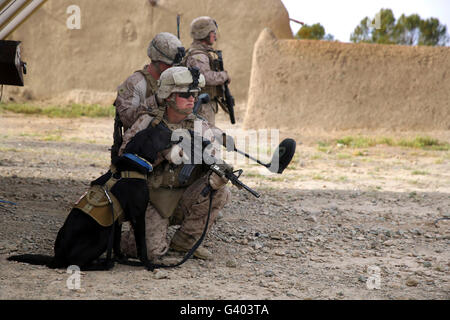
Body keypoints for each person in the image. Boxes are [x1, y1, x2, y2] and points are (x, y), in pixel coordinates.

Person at [120, 66, 232, 261]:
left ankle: (184, 244)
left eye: (195, 94)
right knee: (149, 253)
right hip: (151, 198)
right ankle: (121, 239)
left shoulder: (200, 125)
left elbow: (212, 156)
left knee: (220, 191)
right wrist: (162, 154)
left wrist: (216, 175)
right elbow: (123, 159)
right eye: (185, 94)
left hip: (182, 194)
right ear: (168, 96)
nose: (192, 99)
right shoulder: (148, 122)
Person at [111, 32, 186, 159]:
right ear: (157, 59)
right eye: (169, 64)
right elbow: (127, 119)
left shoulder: (175, 81)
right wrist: (155, 100)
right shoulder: (135, 83)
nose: (173, 68)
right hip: (140, 150)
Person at [183, 16, 231, 125]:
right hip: (201, 105)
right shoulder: (198, 55)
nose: (215, 35)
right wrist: (224, 76)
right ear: (204, 34)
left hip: (204, 103)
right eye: (212, 32)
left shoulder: (202, 52)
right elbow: (205, 77)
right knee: (204, 139)